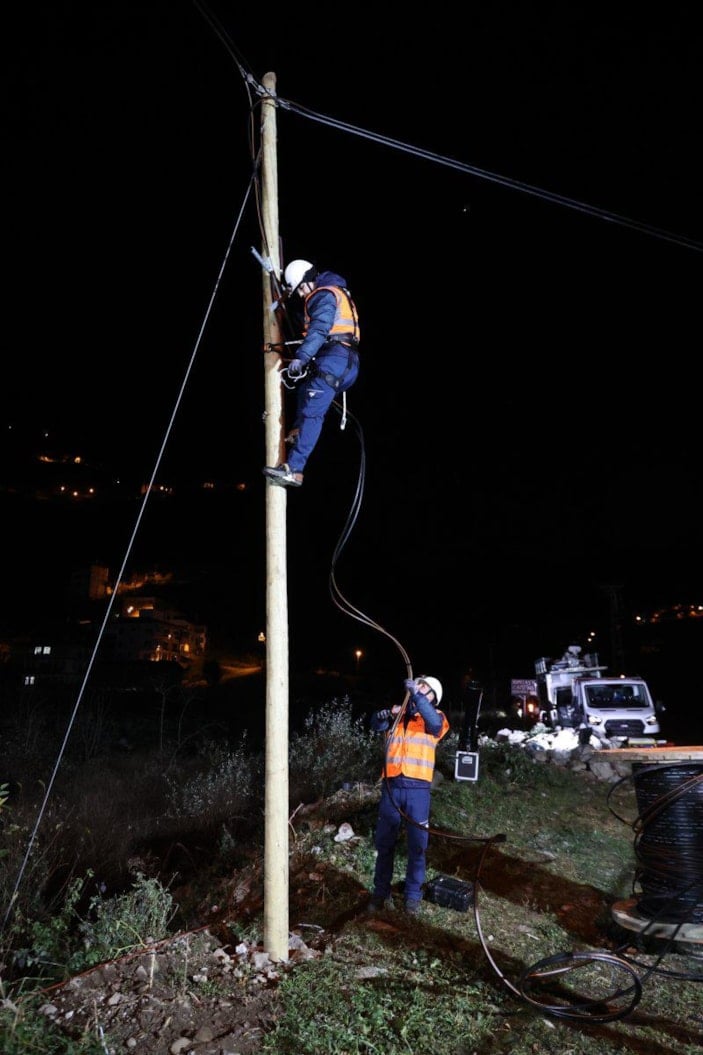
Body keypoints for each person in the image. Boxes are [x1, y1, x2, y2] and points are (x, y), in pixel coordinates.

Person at [263, 259, 360, 488]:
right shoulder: (334, 294)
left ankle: (293, 470)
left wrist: (302, 356)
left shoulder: (323, 295)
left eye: (299, 290)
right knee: (306, 391)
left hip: (335, 358)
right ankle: (299, 431)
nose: (300, 296)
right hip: (343, 361)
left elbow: (320, 328)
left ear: (306, 282)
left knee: (312, 413)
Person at [368, 675, 450, 915]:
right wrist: (380, 717)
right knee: (385, 844)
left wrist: (415, 695)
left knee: (417, 847)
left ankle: (412, 896)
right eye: (418, 685)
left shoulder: (437, 719)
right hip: (392, 788)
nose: (419, 688)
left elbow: (433, 724)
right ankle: (380, 892)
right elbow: (376, 726)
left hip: (418, 792)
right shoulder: (399, 717)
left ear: (433, 697)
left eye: (424, 688)